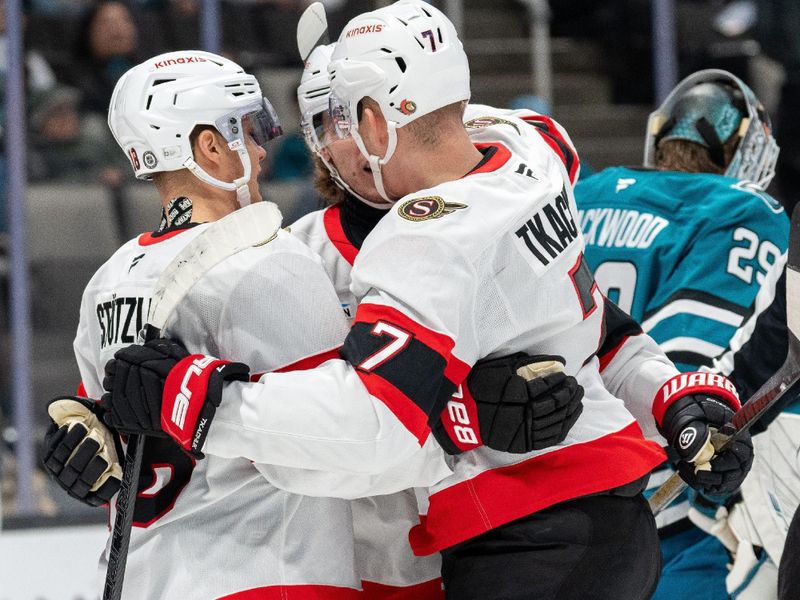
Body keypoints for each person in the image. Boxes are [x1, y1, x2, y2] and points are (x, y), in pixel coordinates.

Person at [102, 3, 753, 598]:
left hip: (506, 540)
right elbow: (289, 415)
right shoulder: (530, 153)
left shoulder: (426, 233)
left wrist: (672, 399)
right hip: (376, 558)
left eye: (344, 119)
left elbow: (597, 330)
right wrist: (105, 420)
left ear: (380, 120)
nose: (334, 145)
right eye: (321, 126)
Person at [43, 47, 586, 596]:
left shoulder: (110, 281)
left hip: (139, 579)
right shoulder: (267, 262)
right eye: (248, 131)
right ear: (209, 147)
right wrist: (464, 421)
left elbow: (99, 435)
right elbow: (358, 439)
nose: (260, 151)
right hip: (265, 578)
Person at [575, 68, 788, 600]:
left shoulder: (583, 192)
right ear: (748, 149)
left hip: (552, 484)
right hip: (664, 508)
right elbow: (690, 363)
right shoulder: (742, 209)